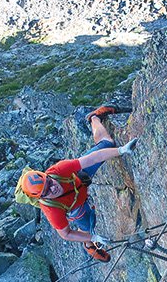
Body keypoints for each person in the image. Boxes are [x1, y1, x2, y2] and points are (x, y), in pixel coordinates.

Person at [16, 105, 135, 262]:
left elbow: (92, 158)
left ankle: (94, 117)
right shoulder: (51, 209)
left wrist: (121, 150)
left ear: (47, 176)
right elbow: (66, 234)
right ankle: (89, 246)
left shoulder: (58, 170)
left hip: (80, 178)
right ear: (41, 198)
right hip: (75, 206)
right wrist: (93, 237)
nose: (53, 188)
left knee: (107, 144)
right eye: (47, 191)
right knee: (87, 228)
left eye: (49, 182)